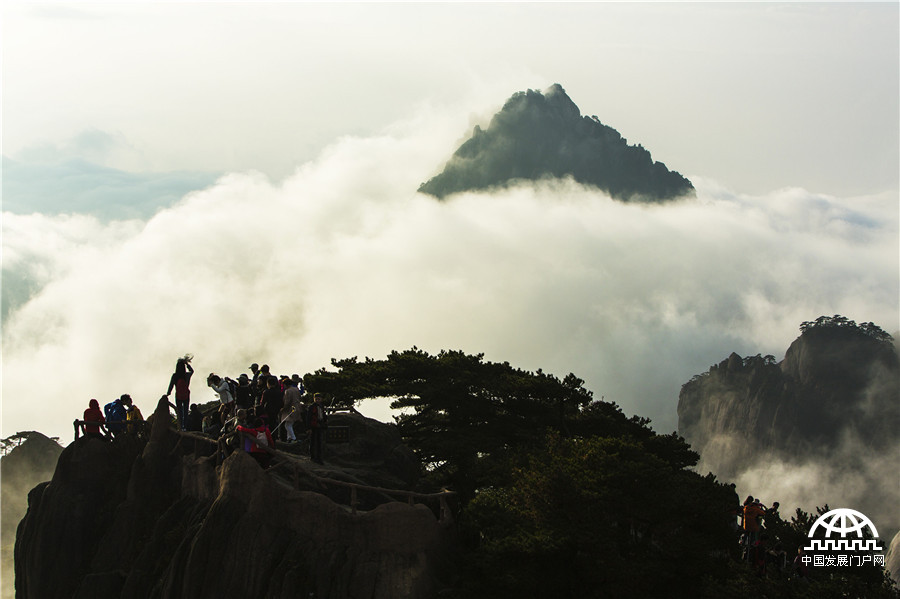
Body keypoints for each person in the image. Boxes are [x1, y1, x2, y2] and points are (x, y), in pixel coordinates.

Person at [166, 355, 194, 431]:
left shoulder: (175, 376)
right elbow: (192, 371)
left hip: (178, 396)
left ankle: (180, 427)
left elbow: (171, 385)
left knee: (179, 412)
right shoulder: (186, 375)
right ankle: (185, 427)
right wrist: (187, 364)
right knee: (185, 411)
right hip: (186, 395)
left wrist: (168, 393)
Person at [280, 379, 304, 443]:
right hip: (297, 407)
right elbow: (300, 398)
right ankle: (289, 438)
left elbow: (287, 402)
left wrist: (283, 408)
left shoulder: (288, 391)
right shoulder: (296, 389)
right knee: (290, 424)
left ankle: (293, 438)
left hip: (291, 409)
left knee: (287, 424)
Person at [261, 376, 284, 441]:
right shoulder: (279, 392)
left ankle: (268, 437)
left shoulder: (266, 392)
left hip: (268, 411)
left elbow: (262, 402)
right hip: (277, 410)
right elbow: (282, 402)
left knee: (269, 425)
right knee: (275, 424)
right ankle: (274, 438)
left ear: (268, 384)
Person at [308, 393, 328, 464]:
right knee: (313, 442)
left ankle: (319, 458)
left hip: (320, 425)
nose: (317, 400)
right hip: (313, 426)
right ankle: (313, 457)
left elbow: (323, 416)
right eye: (316, 399)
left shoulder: (322, 407)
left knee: (319, 442)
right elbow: (309, 418)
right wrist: (309, 428)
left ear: (321, 399)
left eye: (318, 399)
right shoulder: (311, 407)